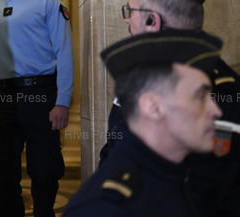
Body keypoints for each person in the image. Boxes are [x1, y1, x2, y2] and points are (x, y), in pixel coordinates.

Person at [98, 0, 240, 216]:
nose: (127, 20)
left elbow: (207, 188)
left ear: (153, 21)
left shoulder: (219, 90)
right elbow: (113, 149)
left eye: (130, 11)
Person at [64, 29, 223, 216]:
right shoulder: (106, 207)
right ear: (153, 107)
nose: (216, 111)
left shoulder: (176, 174)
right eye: (200, 96)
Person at [0, 0, 74, 217]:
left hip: (40, 94)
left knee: (44, 169)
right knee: (1, 173)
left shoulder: (47, 1)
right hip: (0, 97)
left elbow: (65, 52)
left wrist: (63, 101)